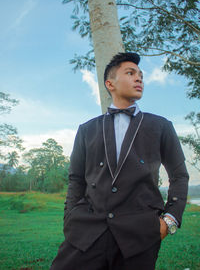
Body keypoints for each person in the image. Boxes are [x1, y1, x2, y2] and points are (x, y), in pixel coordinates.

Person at [50, 52, 189, 270]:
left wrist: (169, 220)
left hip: (139, 235)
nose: (139, 78)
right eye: (130, 73)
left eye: (141, 75)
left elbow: (179, 175)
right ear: (110, 84)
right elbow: (76, 179)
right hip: (87, 232)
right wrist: (70, 218)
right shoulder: (86, 130)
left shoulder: (161, 126)